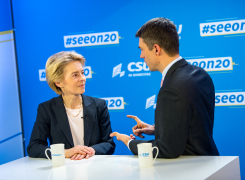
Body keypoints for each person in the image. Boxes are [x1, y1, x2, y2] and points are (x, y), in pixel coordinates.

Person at [110, 17, 219, 158]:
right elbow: (193, 127)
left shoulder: (172, 87)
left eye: (142, 49)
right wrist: (157, 129)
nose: (141, 55)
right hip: (210, 162)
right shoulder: (200, 74)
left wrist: (129, 142)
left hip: (190, 169)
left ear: (156, 49)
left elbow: (167, 149)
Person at [27, 51, 115, 160]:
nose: (82, 78)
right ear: (58, 82)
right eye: (75, 75)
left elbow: (108, 144)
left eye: (82, 72)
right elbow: (34, 147)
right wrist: (65, 152)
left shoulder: (99, 105)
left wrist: (90, 151)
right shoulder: (46, 109)